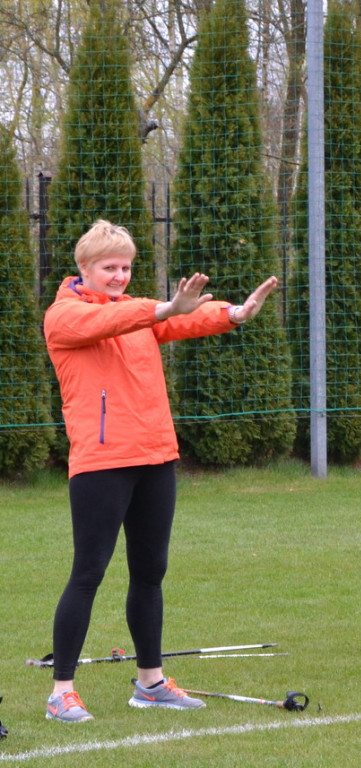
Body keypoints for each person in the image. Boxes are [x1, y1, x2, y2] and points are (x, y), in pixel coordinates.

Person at [42, 220, 278, 722]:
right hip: (102, 463)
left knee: (150, 574)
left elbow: (183, 318)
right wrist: (164, 308)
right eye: (109, 267)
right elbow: (115, 320)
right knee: (88, 573)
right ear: (84, 268)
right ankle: (61, 692)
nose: (119, 275)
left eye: (126, 267)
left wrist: (233, 313)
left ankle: (150, 683)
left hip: (155, 458)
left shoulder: (139, 311)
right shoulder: (64, 315)